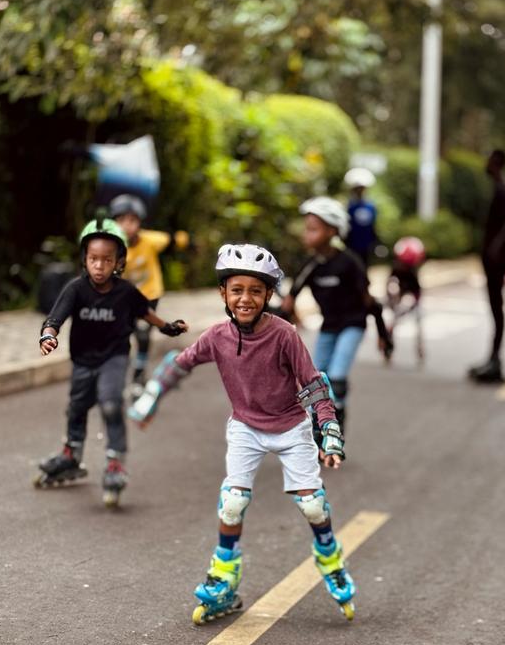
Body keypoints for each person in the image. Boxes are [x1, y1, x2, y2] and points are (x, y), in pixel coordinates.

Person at [128, 243, 356, 623]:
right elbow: (180, 363)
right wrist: (151, 398)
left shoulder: (284, 334)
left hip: (290, 427)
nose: (245, 299)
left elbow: (314, 384)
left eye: (255, 290)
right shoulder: (217, 336)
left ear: (268, 295)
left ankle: (330, 559)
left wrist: (328, 431)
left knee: (313, 506)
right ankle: (224, 579)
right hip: (246, 428)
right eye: (237, 290)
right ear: (223, 294)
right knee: (232, 502)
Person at [35, 217, 188, 505]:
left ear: (119, 261)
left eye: (107, 260)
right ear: (84, 259)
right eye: (93, 259)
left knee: (110, 403)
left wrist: (167, 327)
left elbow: (146, 313)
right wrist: (47, 336)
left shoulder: (125, 291)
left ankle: (115, 461)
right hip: (82, 360)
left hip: (114, 357)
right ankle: (71, 454)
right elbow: (55, 318)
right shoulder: (75, 289)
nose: (99, 266)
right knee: (76, 407)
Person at [281, 196, 393, 433]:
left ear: (332, 231)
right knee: (315, 378)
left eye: (313, 229)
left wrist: (384, 335)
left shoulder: (349, 262)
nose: (306, 235)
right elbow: (289, 301)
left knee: (337, 376)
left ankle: (334, 425)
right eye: (306, 229)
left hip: (353, 324)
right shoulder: (311, 264)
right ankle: (316, 424)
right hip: (329, 326)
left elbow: (370, 301)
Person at [109, 193, 190, 390]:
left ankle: (138, 375)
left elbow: (172, 240)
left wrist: (185, 240)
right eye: (121, 221)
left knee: (143, 335)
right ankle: (116, 374)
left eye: (132, 220)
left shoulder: (150, 240)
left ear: (139, 223)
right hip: (124, 297)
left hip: (149, 294)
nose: (127, 225)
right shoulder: (110, 246)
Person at [468, 148, 505, 384]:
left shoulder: (503, 188)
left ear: (496, 162)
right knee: (495, 310)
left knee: (497, 310)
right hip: (494, 261)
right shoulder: (501, 186)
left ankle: (495, 362)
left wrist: (495, 249)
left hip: (496, 263)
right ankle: (492, 359)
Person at [385, 236, 426, 363]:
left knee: (418, 323)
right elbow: (390, 285)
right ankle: (388, 346)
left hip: (412, 297)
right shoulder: (396, 268)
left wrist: (413, 298)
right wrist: (393, 294)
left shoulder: (414, 269)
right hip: (399, 298)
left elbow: (417, 289)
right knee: (395, 319)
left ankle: (419, 348)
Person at [344, 167, 379, 267]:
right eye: (357, 188)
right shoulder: (349, 206)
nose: (359, 191)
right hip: (351, 245)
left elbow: (373, 225)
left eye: (361, 188)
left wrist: (375, 242)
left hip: (366, 245)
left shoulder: (370, 206)